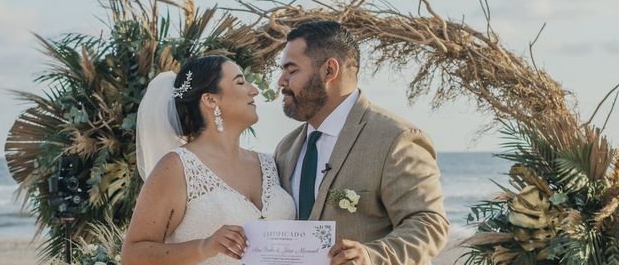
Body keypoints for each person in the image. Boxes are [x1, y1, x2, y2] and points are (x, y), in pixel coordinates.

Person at [275, 21, 449, 265]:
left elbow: (429, 223)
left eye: (291, 71)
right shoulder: (285, 148)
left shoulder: (396, 138)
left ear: (329, 70)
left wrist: (371, 256)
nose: (281, 81)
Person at [122, 55, 296, 265]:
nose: (254, 90)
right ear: (211, 99)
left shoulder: (269, 163)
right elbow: (132, 256)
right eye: (240, 82)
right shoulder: (177, 167)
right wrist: (204, 247)